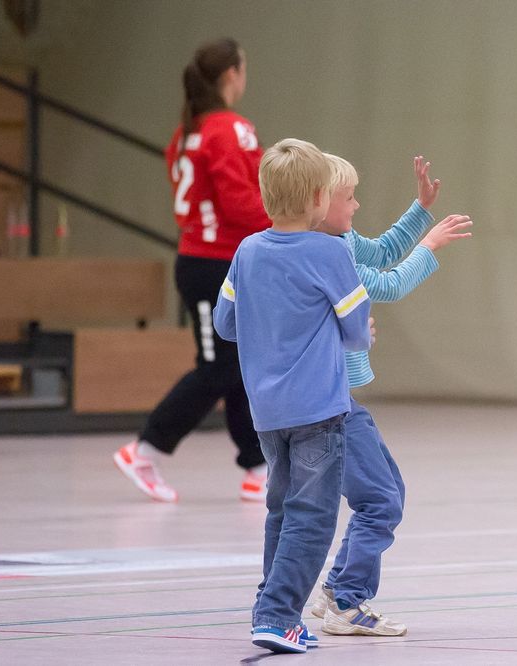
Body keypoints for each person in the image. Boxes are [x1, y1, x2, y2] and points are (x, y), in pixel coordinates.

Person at [213, 138, 373, 654]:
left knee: (281, 511)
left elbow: (225, 323)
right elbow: (355, 332)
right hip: (318, 410)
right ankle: (278, 613)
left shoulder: (247, 250)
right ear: (319, 198)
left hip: (266, 413)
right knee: (312, 516)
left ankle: (274, 610)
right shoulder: (330, 252)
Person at [307, 154, 472, 636]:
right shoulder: (327, 255)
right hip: (328, 403)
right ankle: (347, 601)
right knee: (381, 501)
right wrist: (430, 245)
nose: (357, 205)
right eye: (349, 198)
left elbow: (378, 251)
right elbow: (390, 282)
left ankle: (337, 590)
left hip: (340, 398)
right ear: (320, 203)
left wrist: (419, 209)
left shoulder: (340, 240)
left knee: (387, 493)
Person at [113, 38, 269, 503]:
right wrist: (292, 222)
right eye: (244, 69)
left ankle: (258, 467)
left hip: (214, 262)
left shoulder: (187, 132)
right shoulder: (230, 129)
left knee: (238, 363)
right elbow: (240, 203)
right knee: (215, 367)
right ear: (231, 76)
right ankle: (146, 449)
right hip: (213, 266)